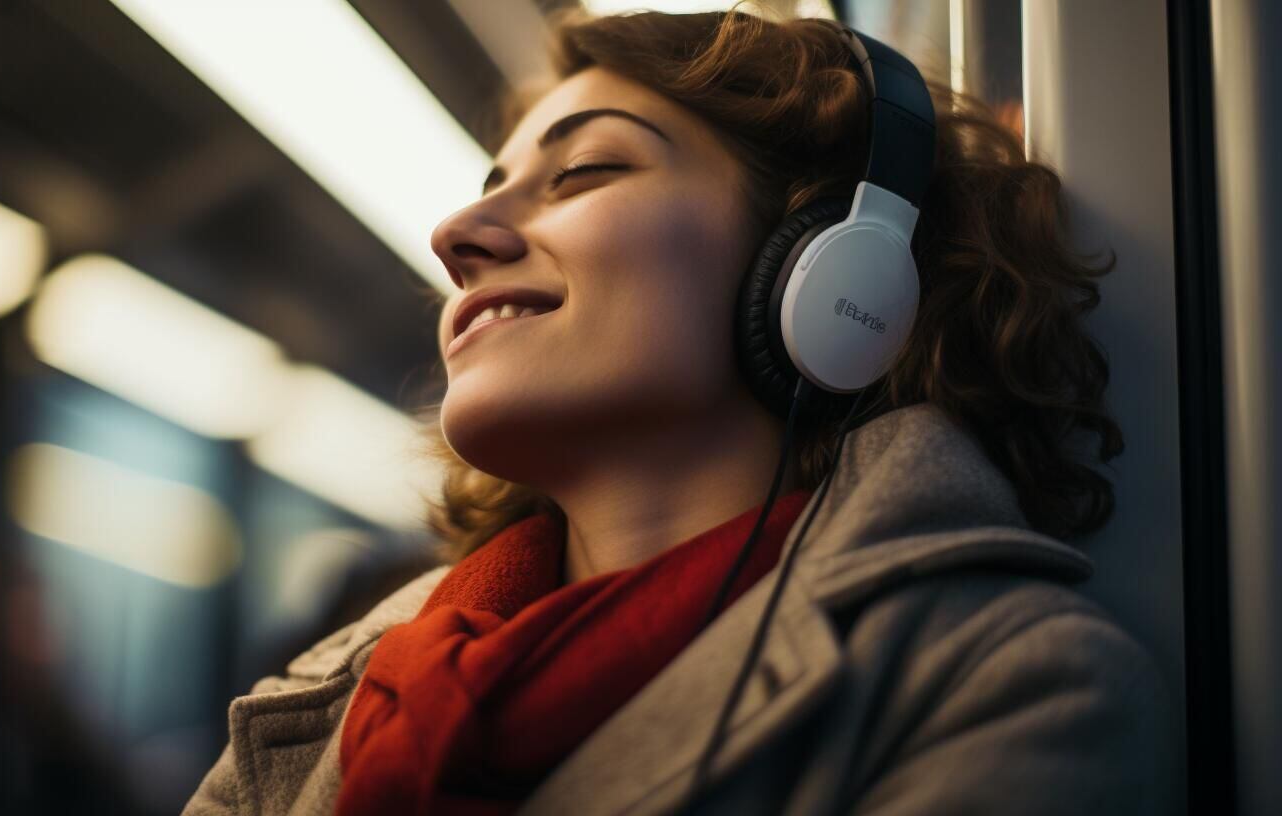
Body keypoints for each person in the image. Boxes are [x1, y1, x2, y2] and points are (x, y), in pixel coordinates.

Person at [183, 6, 1180, 815]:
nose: (455, 233)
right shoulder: (321, 698)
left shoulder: (1002, 687)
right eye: (491, 187)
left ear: (830, 270)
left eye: (583, 171)